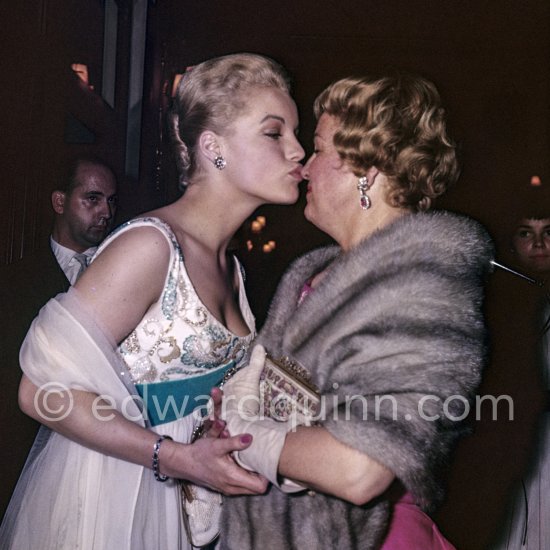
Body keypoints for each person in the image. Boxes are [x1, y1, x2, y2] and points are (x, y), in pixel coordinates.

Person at [0, 52, 305, 550]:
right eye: (275, 133)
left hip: (188, 515)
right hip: (110, 506)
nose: (298, 151)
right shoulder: (151, 245)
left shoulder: (232, 267)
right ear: (213, 147)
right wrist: (175, 457)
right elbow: (38, 392)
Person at [219, 74, 494, 549]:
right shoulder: (318, 275)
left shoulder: (421, 289)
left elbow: (358, 469)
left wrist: (246, 434)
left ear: (366, 171)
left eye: (320, 149)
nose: (304, 166)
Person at [0, 156, 117, 517]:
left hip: (102, 454)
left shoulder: (123, 275)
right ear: (60, 202)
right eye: (93, 199)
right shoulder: (14, 280)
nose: (106, 212)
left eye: (111, 201)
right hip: (21, 451)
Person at [490, 197, 550, 549]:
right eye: (527, 234)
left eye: (548, 233)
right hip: (520, 443)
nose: (539, 245)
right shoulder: (503, 305)